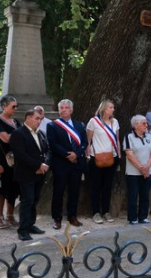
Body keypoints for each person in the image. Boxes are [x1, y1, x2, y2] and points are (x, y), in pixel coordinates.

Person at [46, 99, 88, 229]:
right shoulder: (53, 125)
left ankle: (72, 216)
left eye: (66, 107)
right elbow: (53, 144)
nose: (63, 110)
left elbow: (84, 143)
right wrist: (67, 154)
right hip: (61, 163)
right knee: (58, 191)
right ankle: (57, 218)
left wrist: (76, 153)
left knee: (74, 191)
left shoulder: (79, 125)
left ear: (71, 110)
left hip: (76, 163)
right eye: (61, 108)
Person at [10, 110, 50, 241]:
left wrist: (45, 165)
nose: (39, 121)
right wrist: (38, 165)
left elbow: (48, 151)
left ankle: (31, 225)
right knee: (27, 200)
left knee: (35, 200)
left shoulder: (41, 133)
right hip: (26, 174)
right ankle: (23, 230)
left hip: (40, 173)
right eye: (37, 118)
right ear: (28, 118)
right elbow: (21, 155)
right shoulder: (18, 133)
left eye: (41, 119)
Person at [87, 99, 120, 224]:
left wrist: (119, 156)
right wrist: (88, 156)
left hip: (112, 157)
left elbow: (116, 139)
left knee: (107, 186)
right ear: (104, 109)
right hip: (96, 157)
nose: (113, 109)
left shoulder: (115, 122)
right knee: (96, 186)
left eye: (113, 107)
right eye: (110, 107)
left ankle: (106, 211)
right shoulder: (93, 121)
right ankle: (96, 212)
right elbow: (88, 140)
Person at [125, 115, 151, 224]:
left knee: (145, 195)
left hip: (148, 171)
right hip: (133, 173)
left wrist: (147, 167)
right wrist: (141, 168)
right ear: (136, 125)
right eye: (143, 123)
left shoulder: (149, 136)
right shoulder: (129, 137)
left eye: (146, 123)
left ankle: (143, 217)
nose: (146, 125)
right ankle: (133, 218)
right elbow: (129, 154)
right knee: (133, 195)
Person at [0, 95, 20, 229]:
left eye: (17, 106)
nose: (15, 109)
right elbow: (5, 139)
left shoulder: (15, 121)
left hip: (16, 160)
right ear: (4, 106)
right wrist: (18, 137)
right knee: (2, 189)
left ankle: (10, 215)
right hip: (2, 159)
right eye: (13, 106)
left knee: (14, 188)